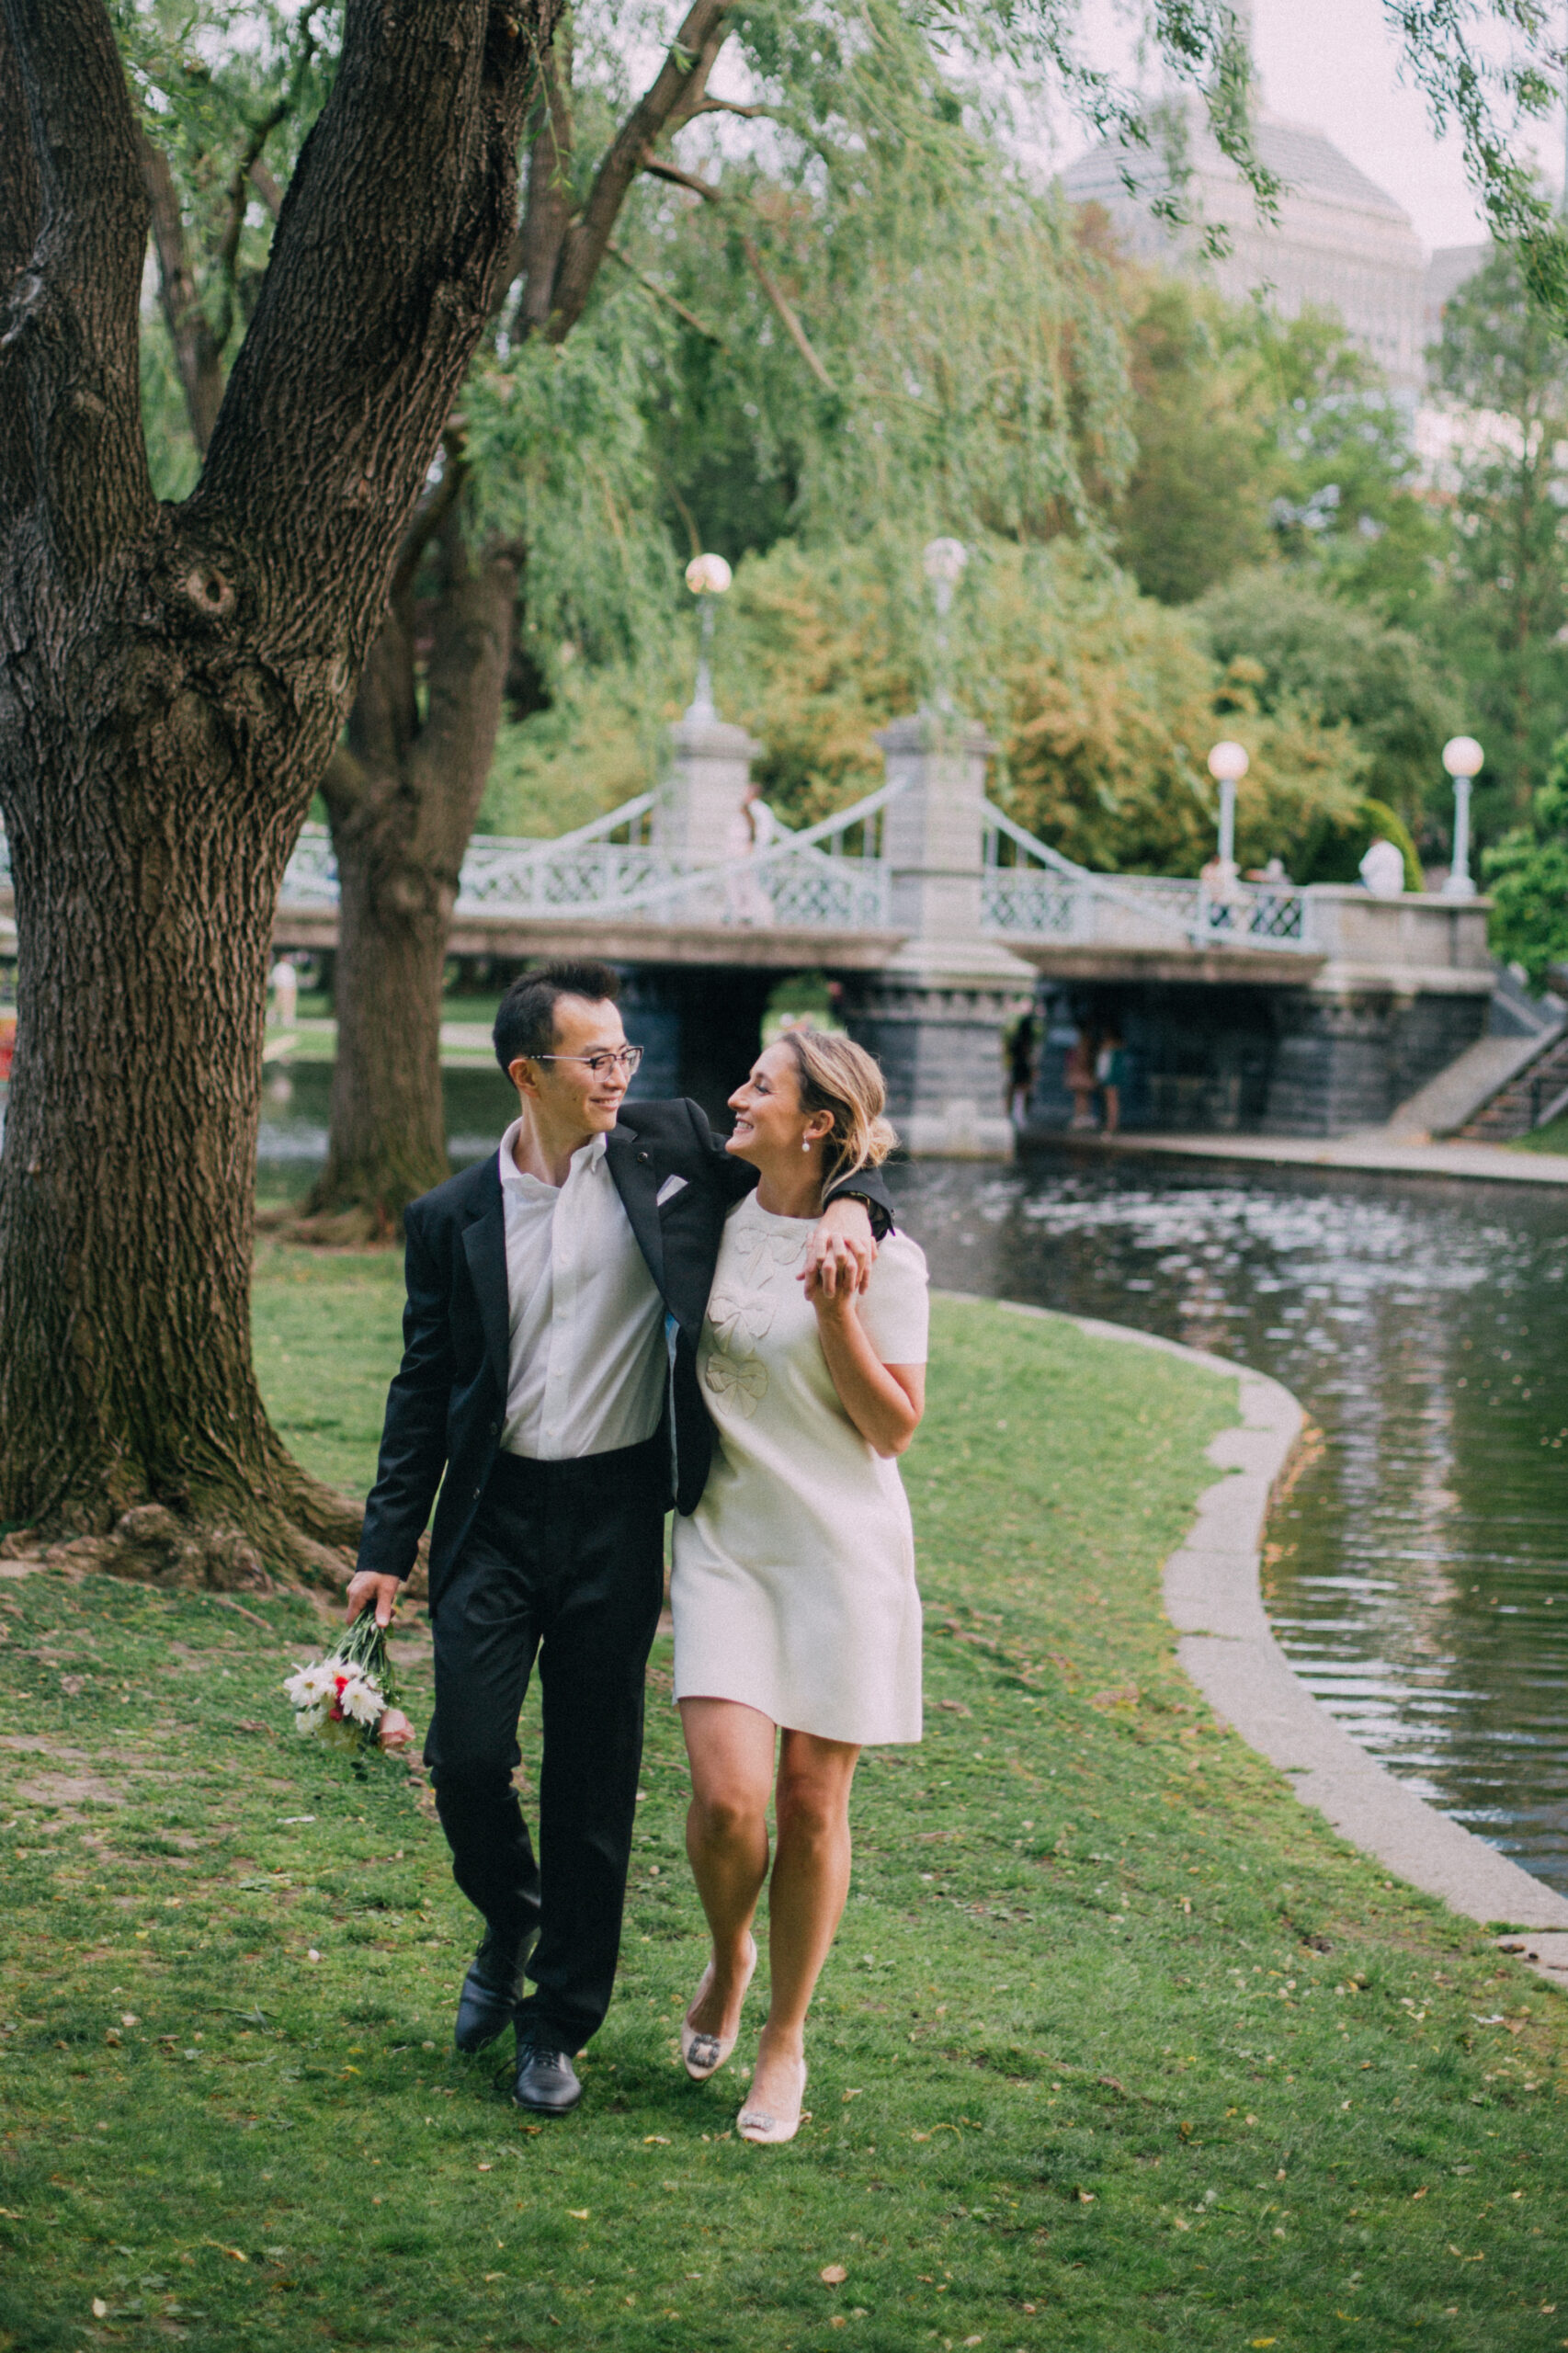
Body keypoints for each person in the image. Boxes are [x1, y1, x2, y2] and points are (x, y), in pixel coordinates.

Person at [345, 960, 892, 2117]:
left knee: (594, 1784)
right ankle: (509, 1917)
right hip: (489, 1520)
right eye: (595, 1058)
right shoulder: (447, 1217)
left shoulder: (672, 1149)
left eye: (624, 1056)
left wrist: (856, 1207)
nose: (619, 1074)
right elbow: (423, 1383)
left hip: (616, 1514)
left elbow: (823, 1157)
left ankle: (557, 2025)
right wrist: (385, 1543)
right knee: (465, 1758)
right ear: (526, 1074)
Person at [670, 1030, 928, 2145]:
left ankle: (783, 2035)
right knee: (729, 1802)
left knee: (812, 1802)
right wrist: (850, 1194)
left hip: (839, 1550)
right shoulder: (703, 1214)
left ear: (816, 1121)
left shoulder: (890, 1261)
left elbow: (890, 1429)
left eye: (760, 1086)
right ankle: (728, 1950)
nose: (735, 1095)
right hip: (725, 1541)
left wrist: (834, 1312)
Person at [1005, 1009, 1038, 1127]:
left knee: (1014, 1092)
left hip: (1016, 1067)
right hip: (1023, 1067)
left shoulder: (1015, 1039)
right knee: (1022, 1093)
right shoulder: (1026, 1041)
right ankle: (1019, 1116)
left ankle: (1012, 1115)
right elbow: (1028, 1056)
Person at [1064, 1024, 1097, 1130]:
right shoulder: (1083, 1042)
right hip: (1082, 1072)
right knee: (1082, 1096)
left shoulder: (1078, 1042)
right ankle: (1081, 1117)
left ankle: (1081, 1116)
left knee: (1080, 1096)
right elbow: (1083, 1058)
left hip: (1079, 1071)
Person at [1096, 1028, 1126, 1138]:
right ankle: (1110, 1124)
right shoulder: (1111, 1046)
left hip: (1112, 1076)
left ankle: (1112, 1125)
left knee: (1112, 1100)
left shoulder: (1114, 1046)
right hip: (1107, 1076)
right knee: (1109, 1100)